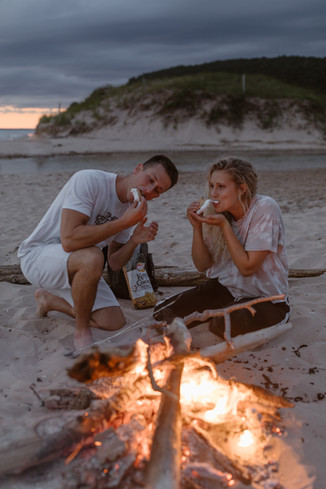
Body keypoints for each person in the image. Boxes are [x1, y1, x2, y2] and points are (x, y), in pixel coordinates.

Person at [18, 155, 178, 349]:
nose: (149, 190)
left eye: (157, 190)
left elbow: (114, 263)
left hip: (79, 267)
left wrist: (134, 240)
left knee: (113, 321)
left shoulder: (131, 209)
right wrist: (122, 223)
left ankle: (49, 301)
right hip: (37, 256)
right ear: (138, 169)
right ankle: (82, 331)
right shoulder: (89, 180)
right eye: (150, 179)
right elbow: (69, 240)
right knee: (93, 256)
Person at [153, 156, 290, 338]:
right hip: (225, 290)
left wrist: (225, 226)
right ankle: (222, 309)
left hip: (267, 298)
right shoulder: (215, 213)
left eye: (221, 187)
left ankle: (228, 314)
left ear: (242, 188)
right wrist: (197, 228)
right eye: (212, 186)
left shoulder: (265, 208)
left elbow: (248, 267)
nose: (213, 194)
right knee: (162, 313)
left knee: (224, 324)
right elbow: (202, 265)